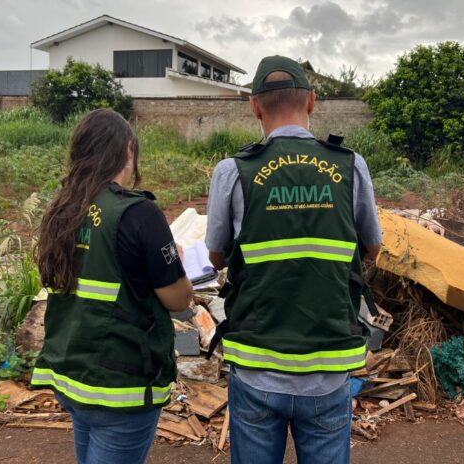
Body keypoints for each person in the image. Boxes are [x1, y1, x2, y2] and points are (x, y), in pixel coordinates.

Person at [205, 56, 382, 464]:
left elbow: (215, 256)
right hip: (327, 364)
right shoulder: (349, 165)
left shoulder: (233, 171)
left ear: (254, 106)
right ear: (312, 102)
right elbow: (373, 249)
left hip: (256, 363)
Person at [32, 109, 193, 464]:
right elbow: (179, 299)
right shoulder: (138, 213)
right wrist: (174, 262)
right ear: (128, 152)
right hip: (120, 385)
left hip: (72, 376)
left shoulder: (61, 209)